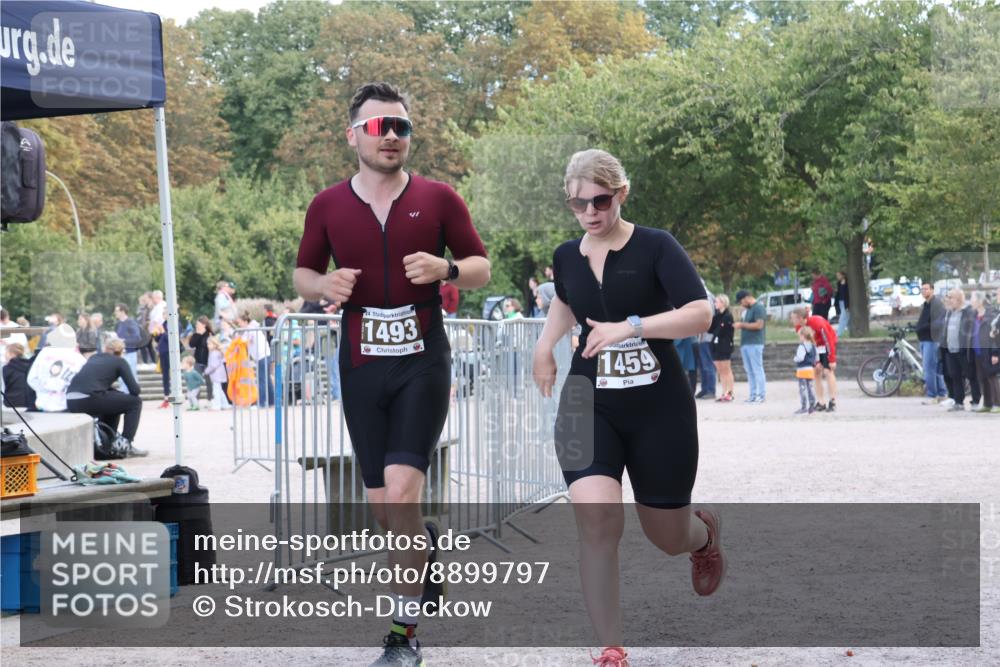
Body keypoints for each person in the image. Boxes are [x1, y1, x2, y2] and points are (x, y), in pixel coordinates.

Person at [292, 81, 491, 667]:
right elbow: (303, 273)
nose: (393, 137)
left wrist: (448, 267)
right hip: (360, 367)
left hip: (422, 363)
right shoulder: (327, 205)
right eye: (381, 127)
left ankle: (404, 638)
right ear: (353, 134)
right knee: (384, 510)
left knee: (403, 492)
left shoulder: (439, 199)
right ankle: (423, 547)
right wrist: (322, 286)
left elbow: (480, 267)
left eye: (402, 127)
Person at [532, 148, 723, 667]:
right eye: (577, 204)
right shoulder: (567, 254)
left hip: (658, 404)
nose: (589, 212)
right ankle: (611, 650)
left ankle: (703, 534)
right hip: (585, 401)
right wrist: (544, 346)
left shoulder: (657, 246)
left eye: (599, 199)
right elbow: (567, 299)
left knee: (666, 536)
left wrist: (631, 326)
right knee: (596, 523)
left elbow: (701, 313)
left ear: (622, 193)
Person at [65, 338, 147, 457]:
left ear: (105, 348)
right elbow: (135, 390)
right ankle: (126, 444)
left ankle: (107, 445)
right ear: (120, 351)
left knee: (114, 405)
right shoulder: (119, 361)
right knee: (135, 403)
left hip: (72, 399)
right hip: (90, 398)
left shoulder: (94, 358)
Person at [26, 323, 86, 412]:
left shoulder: (45, 352)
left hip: (42, 406)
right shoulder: (80, 359)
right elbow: (81, 387)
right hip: (66, 408)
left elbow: (31, 378)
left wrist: (45, 389)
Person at [789, 307, 838, 412]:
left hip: (826, 346)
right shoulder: (799, 328)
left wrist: (832, 358)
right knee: (816, 372)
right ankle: (821, 402)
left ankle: (832, 401)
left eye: (793, 318)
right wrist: (814, 359)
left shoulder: (817, 323)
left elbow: (828, 340)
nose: (792, 321)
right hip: (815, 348)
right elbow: (807, 343)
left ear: (801, 318)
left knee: (828, 371)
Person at [941, 288, 980, 412]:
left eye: (951, 297)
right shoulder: (949, 312)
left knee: (971, 376)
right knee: (955, 376)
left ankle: (976, 401)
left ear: (958, 299)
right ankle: (958, 402)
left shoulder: (968, 312)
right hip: (951, 350)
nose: (949, 300)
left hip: (964, 350)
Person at [916, 282, 949, 405]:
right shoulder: (926, 304)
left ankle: (932, 395)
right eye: (922, 289)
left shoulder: (936, 304)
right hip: (925, 339)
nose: (924, 291)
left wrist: (922, 327)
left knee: (928, 368)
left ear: (932, 290)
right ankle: (942, 393)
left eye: (926, 289)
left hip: (932, 340)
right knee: (934, 368)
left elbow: (938, 323)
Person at [235, 311, 273, 408]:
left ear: (245, 322)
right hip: (264, 355)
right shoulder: (252, 328)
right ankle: (272, 401)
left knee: (262, 380)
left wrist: (237, 337)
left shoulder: (251, 329)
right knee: (266, 379)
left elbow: (244, 340)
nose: (239, 325)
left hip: (262, 356)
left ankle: (261, 402)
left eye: (239, 323)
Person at [969, 291, 1000, 413]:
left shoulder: (991, 315)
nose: (971, 302)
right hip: (977, 351)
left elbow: (995, 336)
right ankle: (987, 403)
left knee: (991, 377)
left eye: (972, 299)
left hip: (988, 350)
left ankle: (997, 403)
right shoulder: (974, 315)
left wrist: (995, 353)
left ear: (979, 301)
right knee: (982, 377)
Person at [734, 290, 767, 403]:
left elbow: (759, 325)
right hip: (746, 343)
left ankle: (761, 394)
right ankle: (753, 394)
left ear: (747, 298)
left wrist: (742, 325)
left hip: (755, 342)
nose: (741, 304)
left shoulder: (758, 308)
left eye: (741, 301)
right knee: (749, 370)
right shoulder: (748, 310)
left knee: (757, 369)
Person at [710, 294, 735, 402]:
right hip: (716, 345)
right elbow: (710, 329)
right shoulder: (717, 316)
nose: (715, 303)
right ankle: (724, 392)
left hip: (724, 345)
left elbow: (722, 331)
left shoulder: (728, 316)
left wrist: (717, 329)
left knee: (726, 370)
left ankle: (729, 393)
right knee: (720, 371)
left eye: (717, 302)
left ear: (723, 303)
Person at [695, 282, 717, 399]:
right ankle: (705, 389)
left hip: (706, 337)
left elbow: (709, 317)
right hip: (701, 337)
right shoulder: (703, 295)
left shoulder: (706, 297)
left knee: (707, 364)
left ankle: (710, 390)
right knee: (703, 365)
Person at [113, 303, 143, 388]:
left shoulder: (131, 322)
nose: (115, 313)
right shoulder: (118, 324)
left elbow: (137, 338)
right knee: (121, 378)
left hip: (130, 354)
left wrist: (123, 341)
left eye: (117, 311)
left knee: (130, 377)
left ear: (123, 311)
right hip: (120, 354)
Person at [186, 316, 214, 402]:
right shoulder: (196, 334)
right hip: (198, 361)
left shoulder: (209, 334)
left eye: (198, 324)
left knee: (209, 381)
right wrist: (198, 334)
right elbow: (191, 345)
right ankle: (195, 399)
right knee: (196, 381)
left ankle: (211, 399)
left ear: (204, 325)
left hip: (208, 361)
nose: (196, 326)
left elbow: (211, 345)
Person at [2, 342, 36, 409]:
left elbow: (3, 388)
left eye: (6, 353)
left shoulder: (6, 368)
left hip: (11, 404)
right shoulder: (31, 366)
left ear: (11, 354)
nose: (5, 356)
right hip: (29, 403)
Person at [793, 326, 817, 415]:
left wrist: (795, 359)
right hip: (810, 370)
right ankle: (812, 406)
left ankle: (804, 407)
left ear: (803, 336)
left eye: (800, 336)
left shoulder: (802, 346)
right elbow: (816, 357)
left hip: (802, 370)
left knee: (803, 389)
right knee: (811, 388)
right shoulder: (813, 346)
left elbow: (800, 357)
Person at [204, 335, 230, 411]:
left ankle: (217, 406)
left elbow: (213, 365)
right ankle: (225, 405)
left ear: (214, 345)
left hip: (216, 375)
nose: (208, 346)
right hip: (219, 374)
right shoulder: (217, 353)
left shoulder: (214, 354)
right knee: (220, 390)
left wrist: (206, 371)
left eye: (209, 344)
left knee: (216, 391)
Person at [834, 270, 850, 336]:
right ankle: (852, 332)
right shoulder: (839, 283)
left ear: (843, 275)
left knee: (842, 318)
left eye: (839, 275)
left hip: (845, 302)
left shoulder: (847, 283)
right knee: (848, 319)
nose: (838, 277)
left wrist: (847, 305)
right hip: (841, 302)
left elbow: (846, 294)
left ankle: (838, 334)